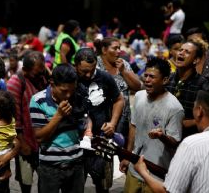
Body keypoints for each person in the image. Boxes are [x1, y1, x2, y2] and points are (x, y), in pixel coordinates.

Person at [120, 57, 184, 192]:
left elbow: (175, 142)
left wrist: (162, 136)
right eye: (146, 75)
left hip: (157, 175)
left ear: (165, 80)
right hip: (135, 168)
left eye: (152, 77)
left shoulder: (174, 108)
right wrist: (127, 156)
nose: (147, 80)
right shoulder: (139, 96)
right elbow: (133, 126)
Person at [75, 48, 124, 193]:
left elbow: (119, 100)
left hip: (102, 140)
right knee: (75, 185)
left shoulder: (105, 77)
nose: (89, 74)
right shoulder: (70, 78)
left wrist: (113, 123)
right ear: (75, 65)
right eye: (84, 71)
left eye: (92, 69)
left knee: (103, 185)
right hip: (76, 141)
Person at [30, 64, 85, 193]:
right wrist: (59, 115)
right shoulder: (38, 100)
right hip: (50, 167)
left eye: (72, 90)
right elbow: (39, 137)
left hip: (76, 163)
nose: (68, 95)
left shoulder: (77, 96)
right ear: (52, 84)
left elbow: (85, 120)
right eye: (64, 91)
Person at [7, 51, 48, 193]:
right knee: (26, 180)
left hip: (42, 140)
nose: (40, 76)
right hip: (25, 140)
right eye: (36, 73)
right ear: (25, 70)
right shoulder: (15, 83)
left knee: (46, 181)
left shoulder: (41, 77)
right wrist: (22, 143)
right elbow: (13, 118)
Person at [94, 37, 141, 145]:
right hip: (102, 120)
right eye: (115, 48)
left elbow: (137, 86)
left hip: (123, 119)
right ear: (104, 50)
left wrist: (123, 71)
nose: (119, 51)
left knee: (121, 152)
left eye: (119, 48)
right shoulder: (96, 66)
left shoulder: (123, 63)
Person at [165, 41, 206, 138]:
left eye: (187, 52)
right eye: (180, 50)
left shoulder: (203, 84)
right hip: (164, 136)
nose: (181, 53)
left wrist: (186, 123)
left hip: (190, 138)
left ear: (196, 60)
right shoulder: (167, 79)